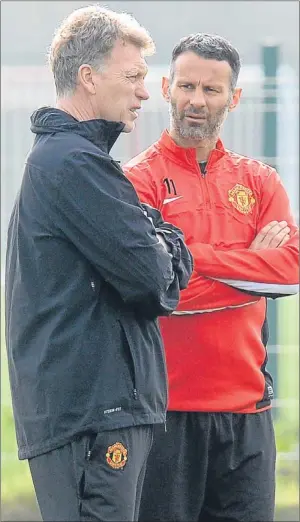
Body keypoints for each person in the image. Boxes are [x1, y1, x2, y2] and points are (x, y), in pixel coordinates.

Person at [5, 7, 193, 522]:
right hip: (94, 420)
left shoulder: (69, 162)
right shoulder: (73, 164)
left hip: (92, 417)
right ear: (88, 77)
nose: (144, 91)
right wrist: (170, 240)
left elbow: (148, 254)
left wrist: (157, 236)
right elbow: (155, 280)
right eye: (132, 76)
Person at [124, 33, 299, 522]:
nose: (196, 101)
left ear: (234, 97)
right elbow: (155, 288)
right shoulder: (136, 182)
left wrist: (190, 257)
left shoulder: (260, 181)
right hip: (164, 412)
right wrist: (247, 261)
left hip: (247, 414)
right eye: (187, 86)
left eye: (211, 90)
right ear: (166, 88)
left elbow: (289, 272)